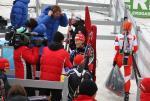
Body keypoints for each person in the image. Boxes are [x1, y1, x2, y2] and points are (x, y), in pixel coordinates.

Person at [39, 31, 73, 101]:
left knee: (42, 99)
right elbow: (70, 66)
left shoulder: (45, 49)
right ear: (61, 41)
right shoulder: (64, 53)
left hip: (43, 81)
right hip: (56, 82)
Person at [113, 19, 138, 101]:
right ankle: (126, 94)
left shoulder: (118, 36)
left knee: (115, 72)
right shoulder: (133, 37)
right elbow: (135, 49)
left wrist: (115, 59)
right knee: (127, 77)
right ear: (131, 28)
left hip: (119, 57)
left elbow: (116, 48)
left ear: (123, 27)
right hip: (128, 58)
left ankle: (114, 86)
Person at [13, 28, 39, 96]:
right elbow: (33, 60)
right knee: (29, 97)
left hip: (19, 79)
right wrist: (36, 47)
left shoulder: (17, 49)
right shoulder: (24, 49)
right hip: (26, 79)